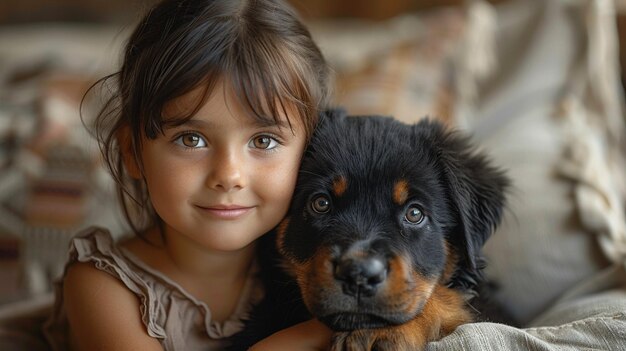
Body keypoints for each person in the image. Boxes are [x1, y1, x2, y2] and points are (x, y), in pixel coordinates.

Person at [42, 0, 334, 349]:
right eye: (191, 139)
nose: (229, 175)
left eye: (264, 140)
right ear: (133, 152)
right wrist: (320, 332)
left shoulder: (307, 269)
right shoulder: (101, 287)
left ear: (309, 152)